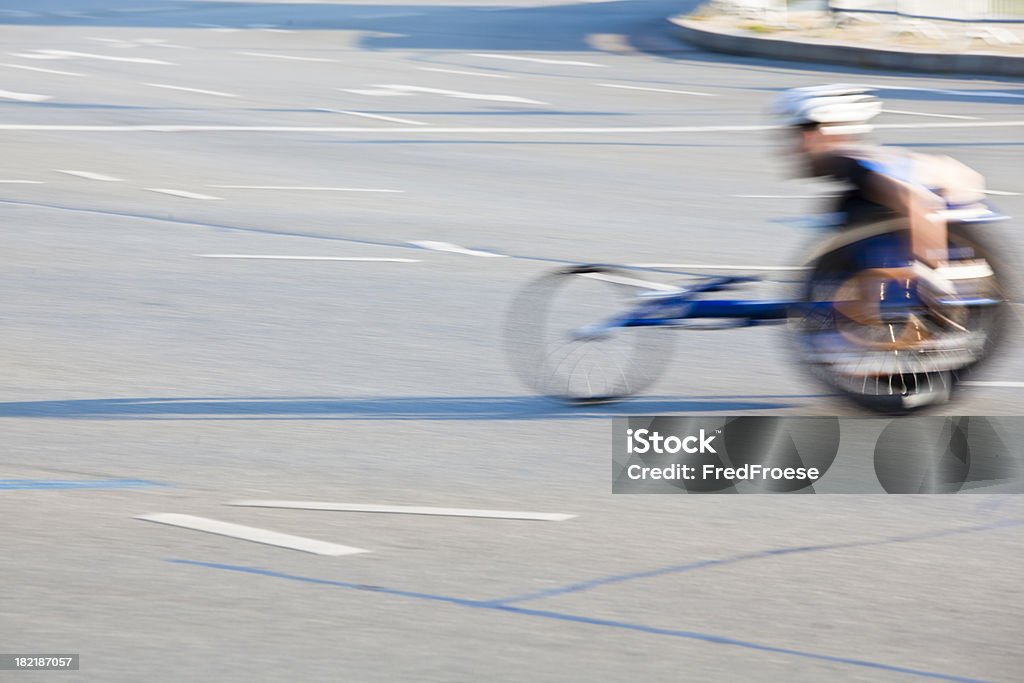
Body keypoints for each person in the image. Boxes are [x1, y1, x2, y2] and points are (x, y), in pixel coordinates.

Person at [772, 84, 991, 313]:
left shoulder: (855, 165)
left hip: (940, 228)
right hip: (920, 226)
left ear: (819, 133)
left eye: (795, 137)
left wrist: (931, 273)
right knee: (848, 216)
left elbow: (917, 202)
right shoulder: (850, 172)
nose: (790, 150)